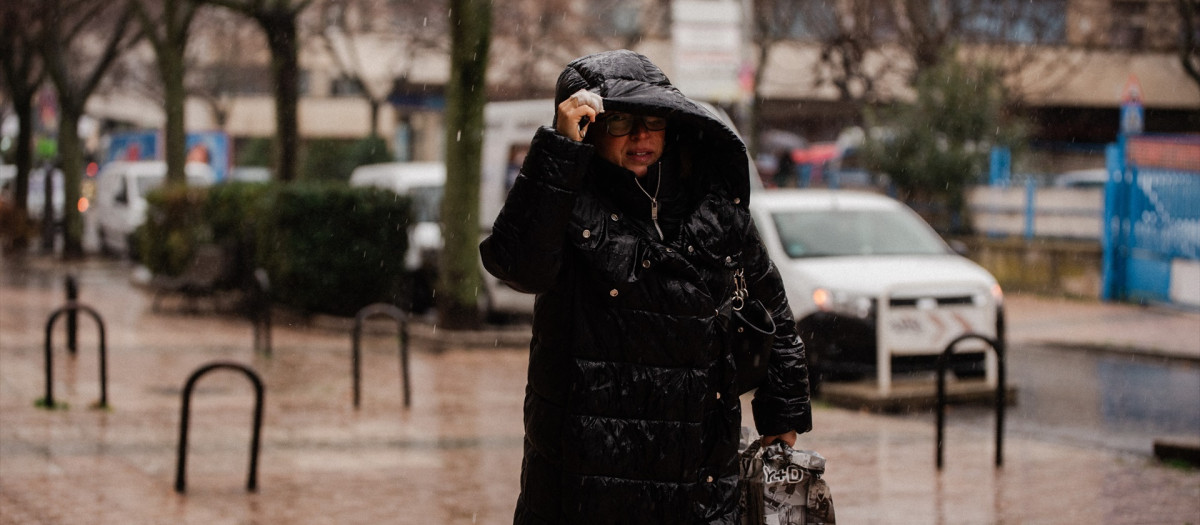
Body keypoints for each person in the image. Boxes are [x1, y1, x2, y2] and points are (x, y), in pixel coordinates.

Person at [480, 50, 813, 525]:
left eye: (653, 120)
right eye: (619, 122)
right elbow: (518, 266)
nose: (640, 137)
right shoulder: (567, 203)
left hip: (701, 469)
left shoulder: (712, 205)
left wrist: (783, 414)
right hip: (589, 474)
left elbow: (772, 306)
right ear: (590, 127)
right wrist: (557, 148)